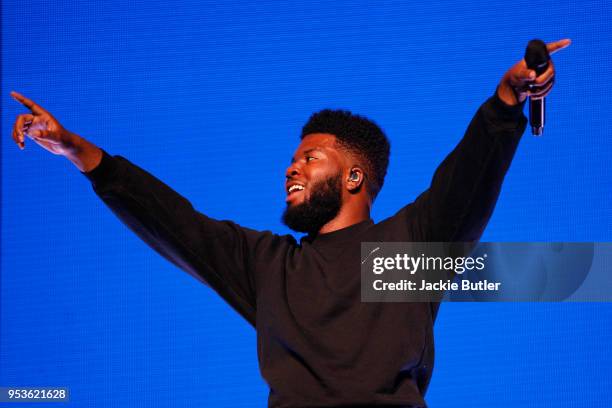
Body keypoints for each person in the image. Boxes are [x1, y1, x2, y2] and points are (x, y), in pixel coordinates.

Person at [10, 39, 570, 408]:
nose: (291, 167)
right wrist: (76, 151)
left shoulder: (404, 254)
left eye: (310, 157)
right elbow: (171, 222)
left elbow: (467, 182)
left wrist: (507, 98)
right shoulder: (269, 268)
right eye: (294, 158)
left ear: (354, 178)